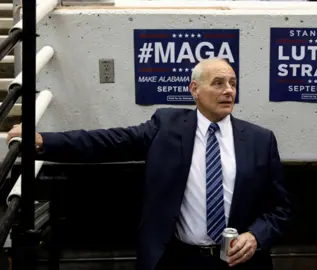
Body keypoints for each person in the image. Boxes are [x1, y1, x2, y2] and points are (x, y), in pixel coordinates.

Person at [7, 58, 292, 270]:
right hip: (176, 261)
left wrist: (255, 236)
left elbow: (280, 209)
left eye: (232, 83)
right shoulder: (167, 126)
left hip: (238, 263)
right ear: (194, 89)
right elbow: (108, 142)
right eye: (218, 83)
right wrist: (44, 141)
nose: (228, 90)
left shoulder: (260, 140)